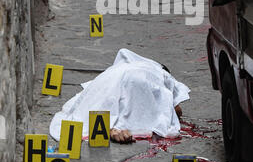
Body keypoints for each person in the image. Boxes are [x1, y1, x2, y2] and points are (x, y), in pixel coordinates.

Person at [49, 49, 190, 144]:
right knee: (132, 105)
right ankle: (109, 127)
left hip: (107, 83)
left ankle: (104, 125)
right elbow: (177, 110)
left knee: (103, 101)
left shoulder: (120, 68)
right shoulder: (161, 74)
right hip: (134, 80)